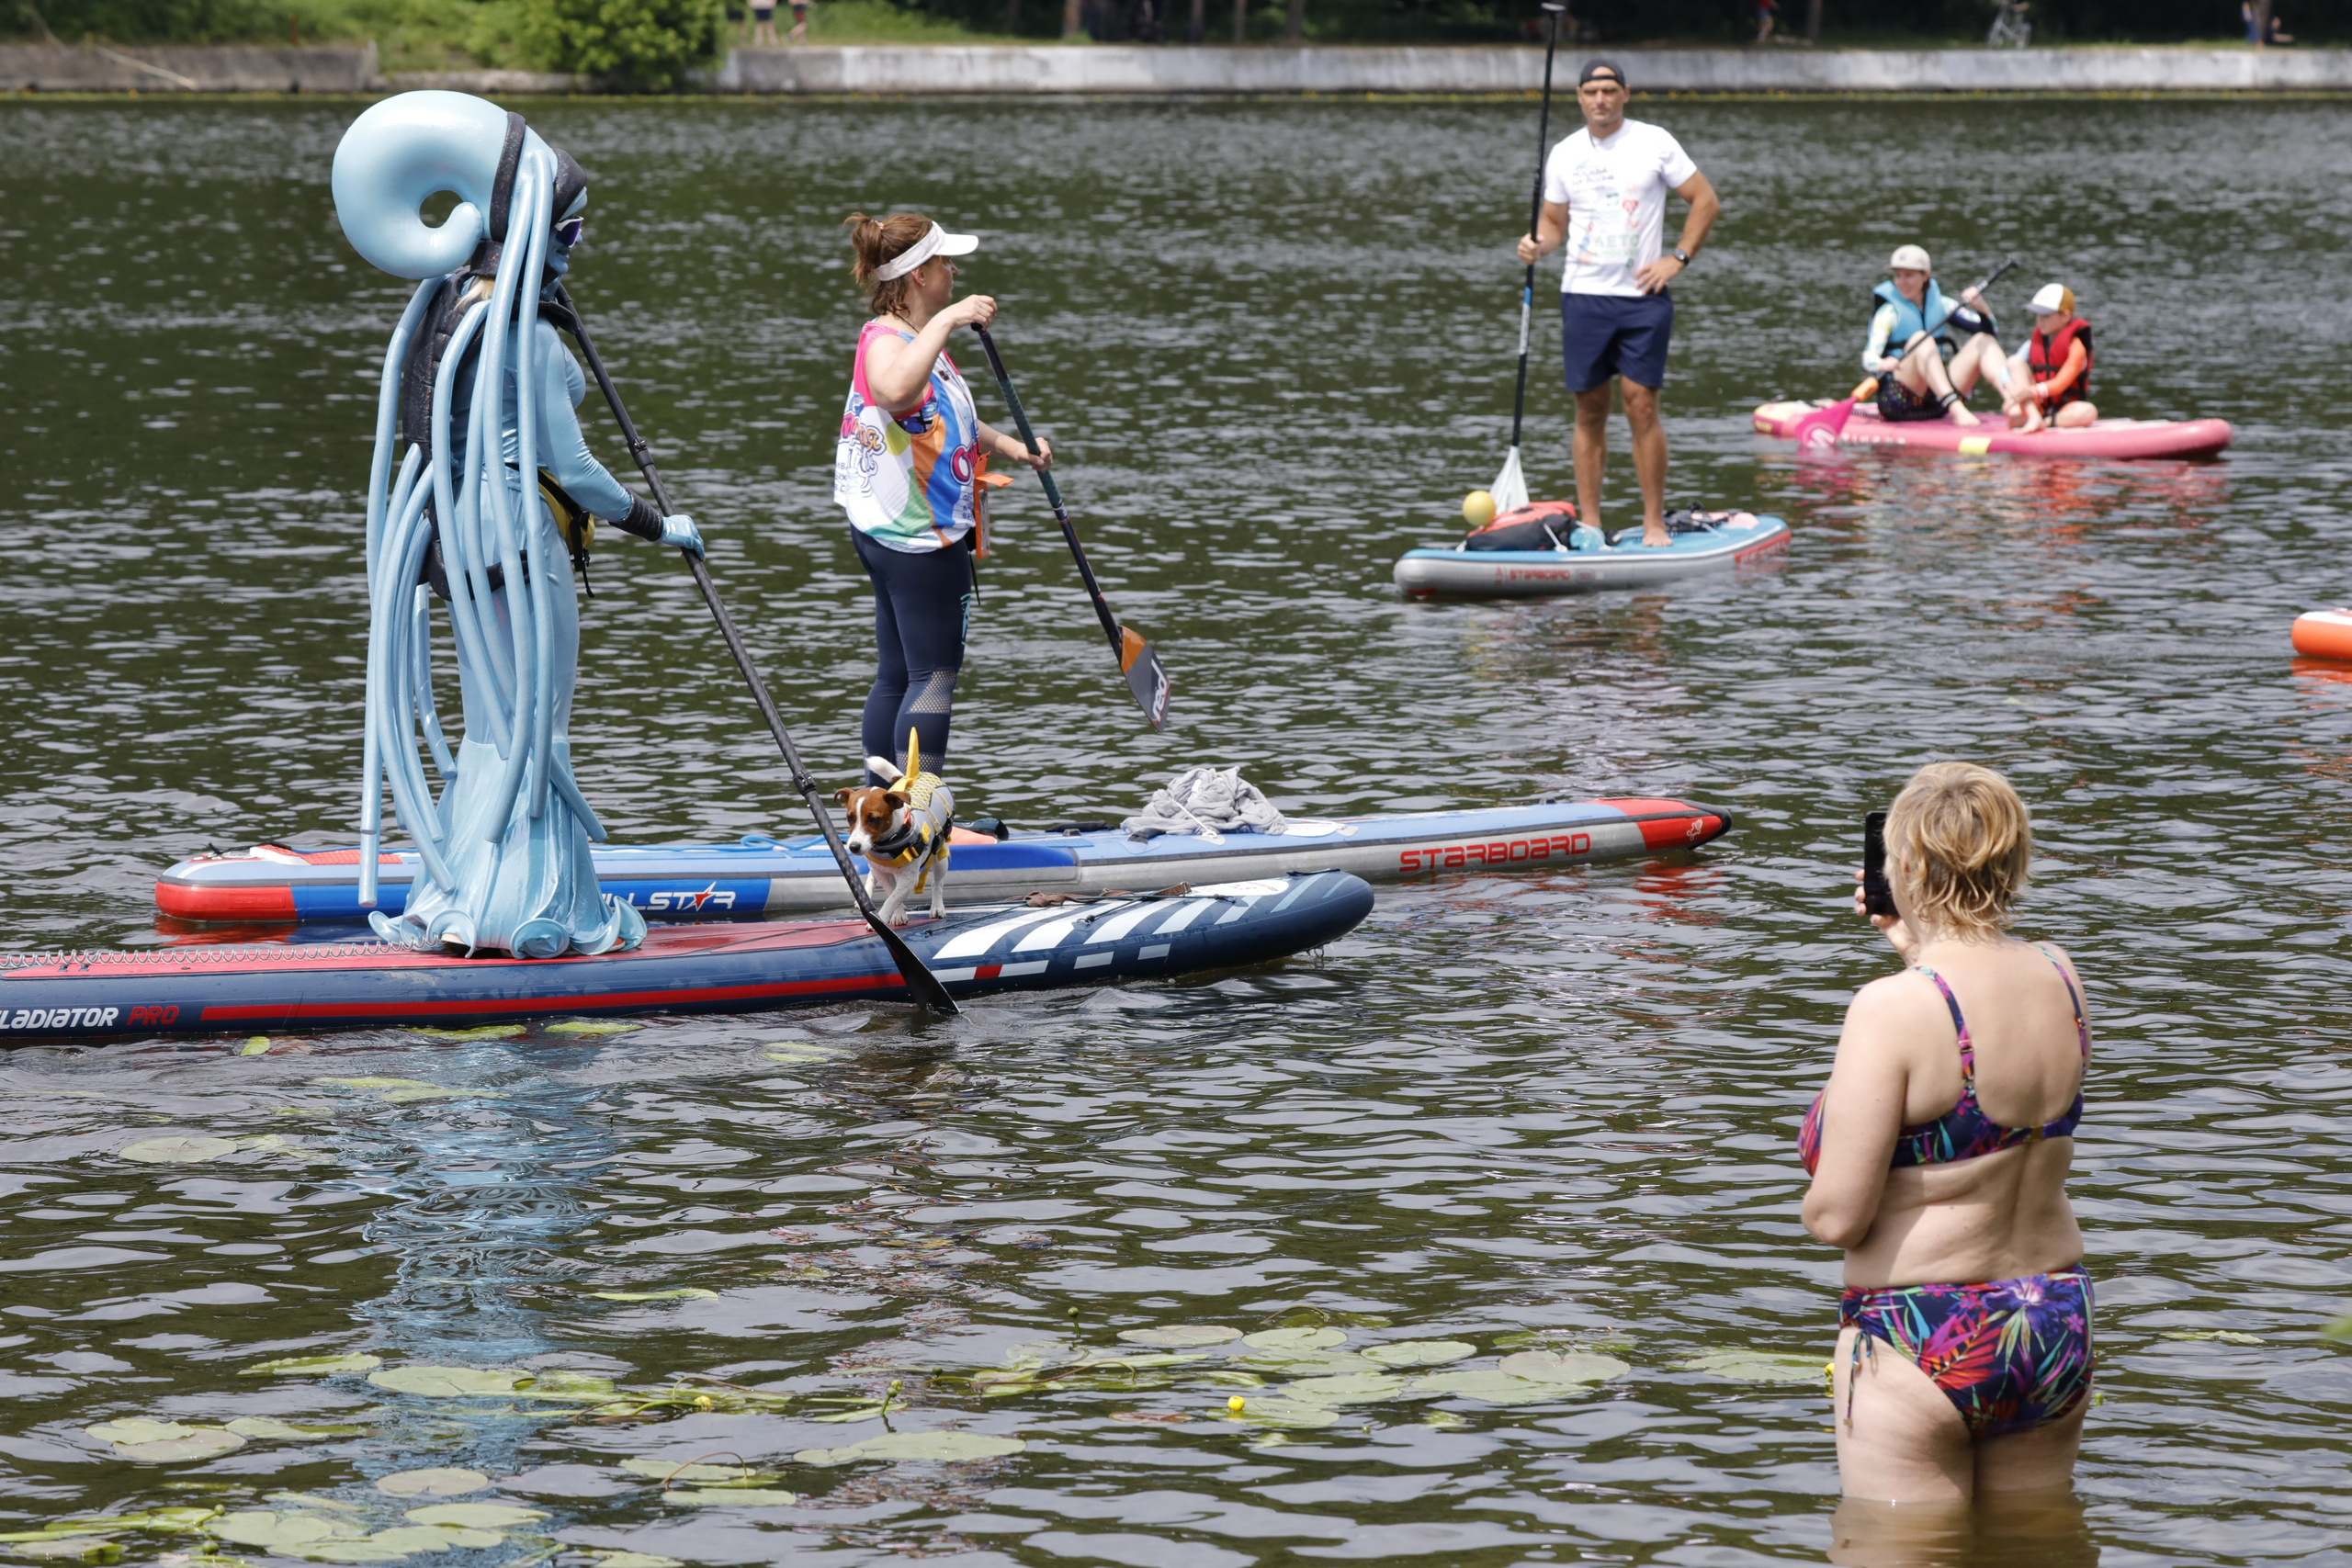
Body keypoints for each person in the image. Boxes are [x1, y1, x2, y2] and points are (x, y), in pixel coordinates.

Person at [333, 94, 704, 958]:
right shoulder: (527, 337)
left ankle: (462, 891)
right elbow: (574, 471)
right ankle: (538, 906)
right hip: (523, 543)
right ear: (539, 235)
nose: (578, 246)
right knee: (540, 721)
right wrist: (658, 525)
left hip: (458, 545)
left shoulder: (452, 309)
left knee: (493, 726)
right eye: (571, 232)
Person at [1800, 762, 2096, 1504]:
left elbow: (1839, 1218)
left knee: (1895, 1545)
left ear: (1903, 865)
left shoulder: (1889, 1008)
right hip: (2050, 1317)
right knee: (2040, 1546)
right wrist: (1915, 947)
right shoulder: (2060, 975)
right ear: (2014, 860)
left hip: (1922, 1331)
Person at [835, 213, 1050, 787]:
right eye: (945, 262)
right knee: (932, 677)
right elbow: (894, 390)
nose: (954, 271)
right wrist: (952, 318)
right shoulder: (889, 340)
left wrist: (1013, 447)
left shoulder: (912, 337)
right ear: (919, 275)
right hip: (917, 536)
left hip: (893, 528)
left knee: (898, 673)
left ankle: (881, 810)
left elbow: (942, 417)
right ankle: (918, 814)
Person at [1515, 59, 1720, 548]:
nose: (1600, 100)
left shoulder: (1654, 142)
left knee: (1641, 405)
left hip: (1643, 297)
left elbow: (1705, 200)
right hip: (1583, 296)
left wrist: (1678, 258)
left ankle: (1653, 523)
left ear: (1625, 94)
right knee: (1590, 410)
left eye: (1609, 90)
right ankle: (1590, 524)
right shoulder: (1565, 153)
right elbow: (1553, 223)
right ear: (1579, 97)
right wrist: (1538, 245)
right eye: (1591, 92)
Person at [1860, 245, 2004, 428]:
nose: (1902, 282)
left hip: (1936, 400)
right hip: (1900, 400)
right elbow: (1868, 357)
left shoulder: (1943, 305)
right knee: (1922, 339)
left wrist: (1982, 308)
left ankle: (2014, 401)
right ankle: (1956, 409)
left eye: (1909, 276)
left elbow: (1990, 331)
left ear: (1925, 275)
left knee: (1984, 340)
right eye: (1898, 275)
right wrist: (1881, 364)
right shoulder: (1888, 313)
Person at [2005, 283, 2097, 434]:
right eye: (2038, 315)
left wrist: (2030, 391)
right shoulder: (2034, 342)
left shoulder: (2076, 347)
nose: (2040, 320)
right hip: (2038, 405)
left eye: (2046, 315)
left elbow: (2060, 384)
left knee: (2088, 411)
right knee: (2014, 362)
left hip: (2066, 407)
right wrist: (2013, 392)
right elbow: (2008, 368)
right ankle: (2034, 416)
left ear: (2065, 316)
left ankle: (2045, 422)